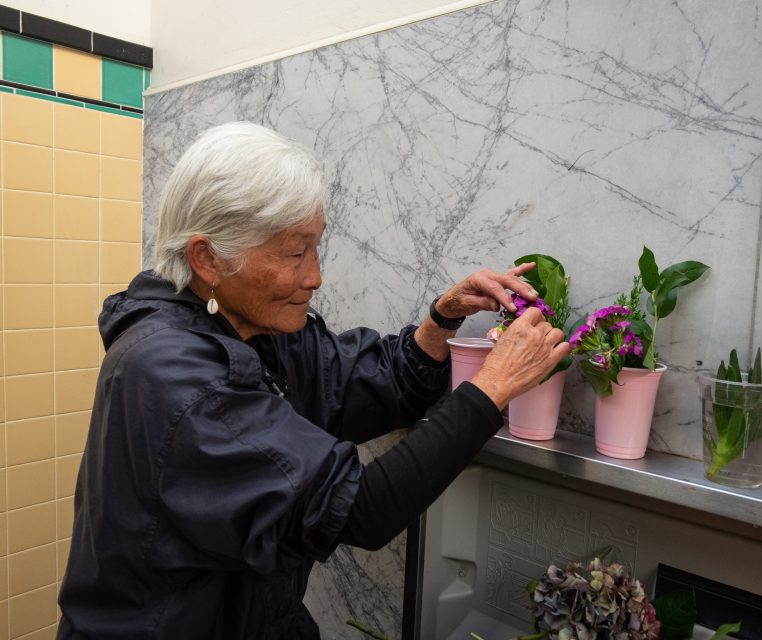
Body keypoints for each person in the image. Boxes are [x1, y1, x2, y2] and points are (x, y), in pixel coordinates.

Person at [57, 122, 570, 639]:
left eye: (315, 247)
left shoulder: (257, 328)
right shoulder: (174, 375)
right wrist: (493, 386)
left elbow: (368, 381)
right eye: (294, 253)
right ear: (208, 259)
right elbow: (362, 510)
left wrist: (442, 320)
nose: (315, 276)